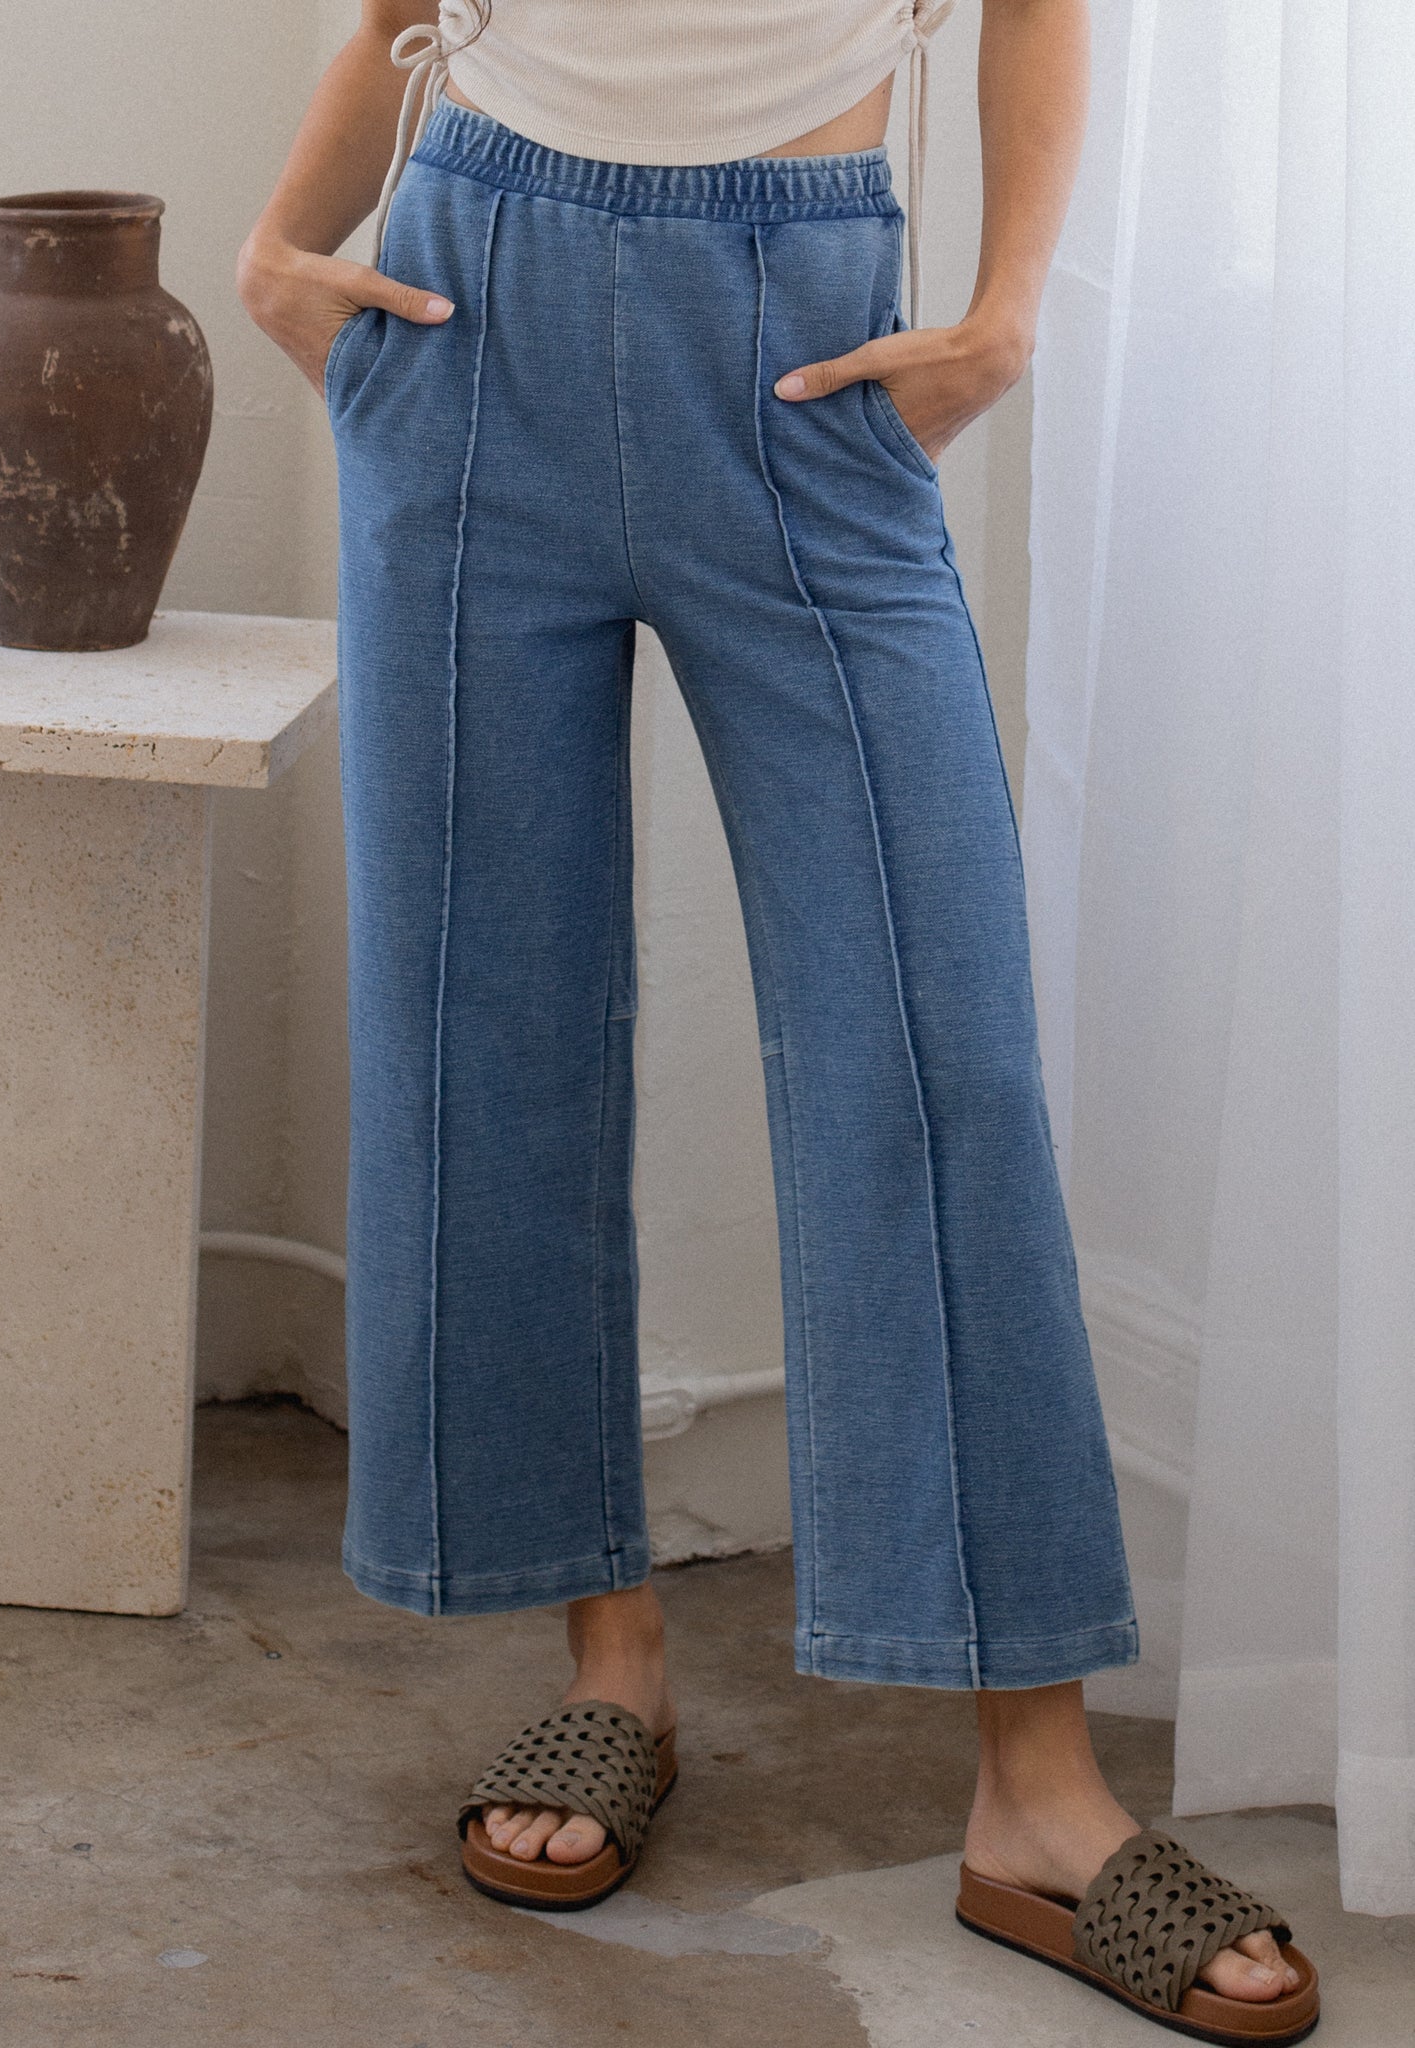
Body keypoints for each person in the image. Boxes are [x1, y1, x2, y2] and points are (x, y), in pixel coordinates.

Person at [237, 3, 1319, 2034]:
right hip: (474, 302)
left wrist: (1003, 310)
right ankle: (610, 1662)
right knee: (493, 1023)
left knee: (939, 1058)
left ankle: (1041, 1791)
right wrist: (280, 248)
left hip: (805, 331)